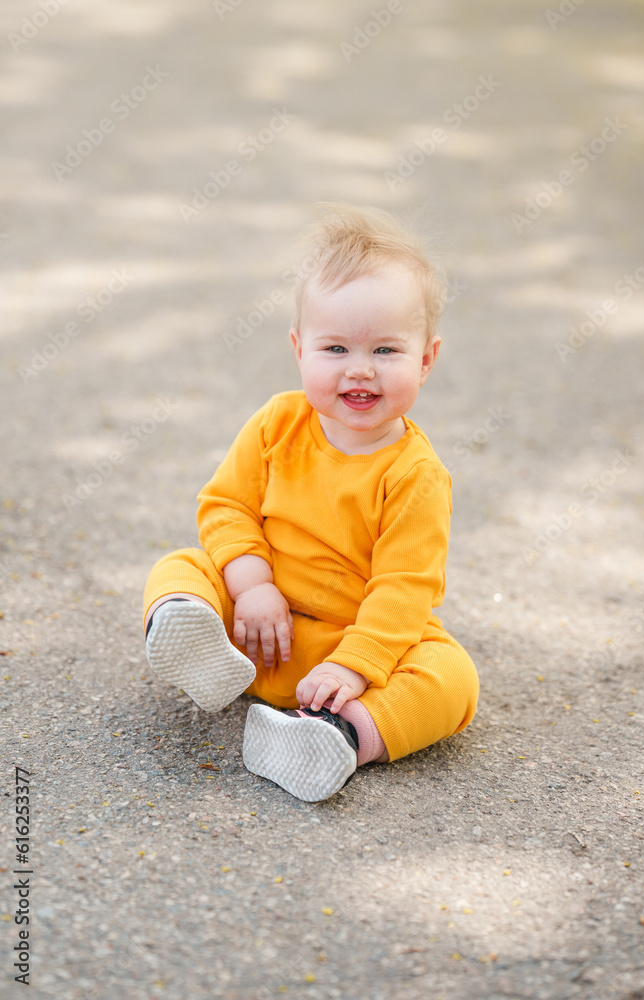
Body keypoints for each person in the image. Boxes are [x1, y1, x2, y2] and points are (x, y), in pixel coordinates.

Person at [142, 204, 478, 802]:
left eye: (385, 351)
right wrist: (250, 586)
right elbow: (226, 506)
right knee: (182, 566)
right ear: (299, 349)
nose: (360, 371)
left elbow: (405, 588)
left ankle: (340, 735)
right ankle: (196, 644)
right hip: (250, 628)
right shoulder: (277, 423)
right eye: (335, 349)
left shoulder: (415, 474)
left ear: (426, 360)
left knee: (452, 677)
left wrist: (351, 669)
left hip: (335, 659)